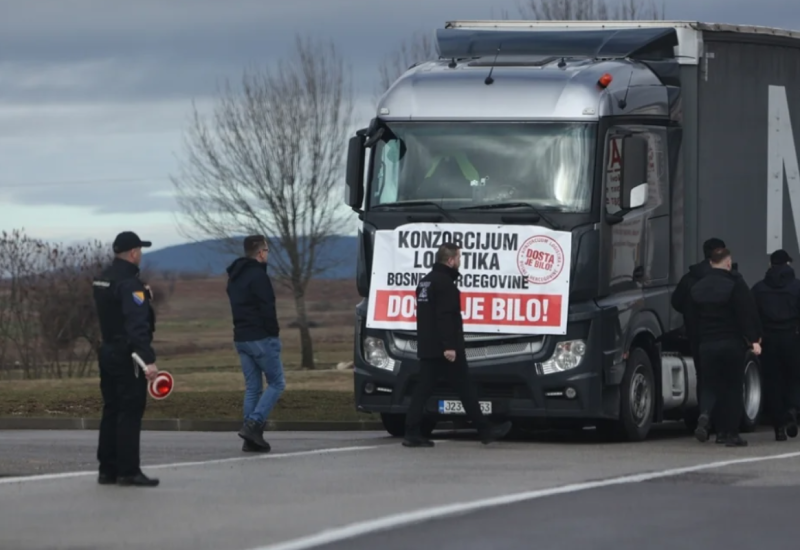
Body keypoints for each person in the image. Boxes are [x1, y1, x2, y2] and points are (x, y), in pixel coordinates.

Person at [403, 242, 512, 448]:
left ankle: (412, 431)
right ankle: (485, 430)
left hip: (428, 347)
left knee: (424, 390)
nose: (460, 262)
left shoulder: (425, 282)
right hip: (445, 349)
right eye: (459, 258)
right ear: (451, 260)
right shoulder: (445, 284)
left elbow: (428, 318)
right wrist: (449, 347)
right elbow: (445, 318)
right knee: (465, 388)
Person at [92, 231, 160, 487]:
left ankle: (107, 469)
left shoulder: (102, 279)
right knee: (130, 411)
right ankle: (128, 470)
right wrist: (147, 359)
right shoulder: (131, 284)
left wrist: (143, 297)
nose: (140, 254)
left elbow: (115, 310)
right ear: (133, 253)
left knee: (111, 409)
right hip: (127, 354)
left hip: (107, 350)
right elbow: (136, 325)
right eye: (140, 250)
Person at [689, 247, 761, 447]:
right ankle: (729, 434)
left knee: (710, 385)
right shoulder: (734, 285)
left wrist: (698, 341)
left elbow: (692, 320)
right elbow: (746, 313)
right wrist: (753, 338)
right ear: (728, 263)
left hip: (707, 345)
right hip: (730, 344)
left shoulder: (697, 288)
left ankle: (705, 415)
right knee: (732, 389)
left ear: (711, 263)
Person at [226, 235, 285, 453]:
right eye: (267, 250)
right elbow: (267, 308)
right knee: (277, 383)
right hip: (261, 337)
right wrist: (274, 335)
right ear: (260, 253)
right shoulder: (259, 277)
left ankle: (250, 438)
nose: (267, 254)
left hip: (241, 337)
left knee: (253, 387)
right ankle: (254, 425)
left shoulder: (234, 277)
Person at [671, 237, 726, 442]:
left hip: (696, 336)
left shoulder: (689, 278)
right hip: (721, 335)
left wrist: (689, 314)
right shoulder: (726, 278)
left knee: (704, 377)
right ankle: (722, 424)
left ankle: (704, 416)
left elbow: (676, 302)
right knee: (724, 380)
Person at [751, 249, 800, 441]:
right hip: (793, 338)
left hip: (769, 340)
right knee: (795, 377)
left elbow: (752, 315)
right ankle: (792, 409)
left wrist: (756, 337)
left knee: (773, 382)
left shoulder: (758, 288)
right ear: (788, 264)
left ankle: (779, 427)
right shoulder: (797, 287)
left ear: (770, 265)